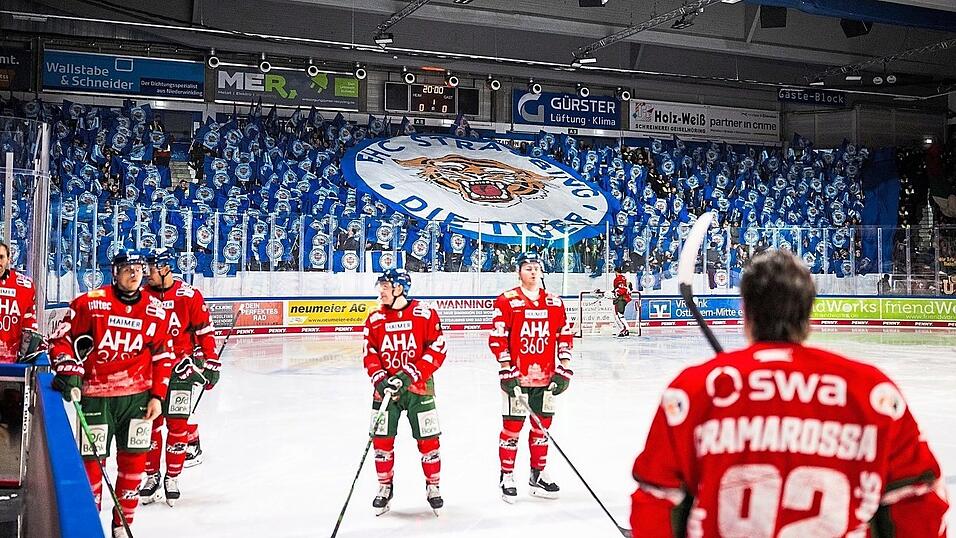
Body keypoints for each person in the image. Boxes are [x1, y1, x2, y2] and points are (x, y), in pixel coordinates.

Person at [629, 250, 949, 537]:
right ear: (809, 313)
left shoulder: (693, 391)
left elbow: (655, 505)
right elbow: (919, 507)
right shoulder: (872, 392)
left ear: (745, 311)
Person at [49, 249, 174, 538]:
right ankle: (88, 526)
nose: (134, 273)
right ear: (114, 272)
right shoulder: (90, 303)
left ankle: (122, 526)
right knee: (92, 466)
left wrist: (158, 395)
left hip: (138, 400)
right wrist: (69, 369)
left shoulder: (155, 309)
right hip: (96, 397)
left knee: (133, 466)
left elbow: (163, 355)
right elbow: (60, 340)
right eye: (127, 268)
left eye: (139, 268)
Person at [489, 251, 574, 503]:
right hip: (516, 378)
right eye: (528, 267)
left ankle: (537, 475)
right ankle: (507, 475)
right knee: (512, 429)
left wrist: (564, 368)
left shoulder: (554, 302)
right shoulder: (507, 301)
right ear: (518, 272)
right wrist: (506, 368)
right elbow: (497, 337)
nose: (533, 271)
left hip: (545, 378)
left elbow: (564, 334)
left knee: (542, 429)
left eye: (537, 267)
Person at [139, 248, 220, 506]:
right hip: (150, 373)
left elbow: (205, 331)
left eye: (150, 269)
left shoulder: (189, 295)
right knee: (150, 427)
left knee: (178, 427)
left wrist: (210, 364)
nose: (145, 275)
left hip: (180, 372)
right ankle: (152, 475)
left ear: (165, 268)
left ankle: (172, 477)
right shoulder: (141, 297)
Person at [362, 268, 447, 515]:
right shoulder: (375, 317)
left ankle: (434, 486)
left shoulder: (425, 313)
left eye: (385, 286)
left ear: (399, 288)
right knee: (382, 441)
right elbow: (370, 353)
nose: (381, 291)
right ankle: (384, 486)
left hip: (419, 389)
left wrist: (408, 375)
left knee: (429, 440)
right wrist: (380, 380)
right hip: (385, 393)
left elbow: (437, 349)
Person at [0, 242, 40, 363]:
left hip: (12, 362)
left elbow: (29, 326)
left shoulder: (25, 286)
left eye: (1, 257)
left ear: (8, 259)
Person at [611, 268, 632, 338]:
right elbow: (627, 287)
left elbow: (620, 289)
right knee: (619, 315)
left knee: (619, 315)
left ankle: (625, 329)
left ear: (616, 272)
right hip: (626, 298)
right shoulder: (624, 278)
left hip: (621, 299)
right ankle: (625, 329)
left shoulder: (617, 279)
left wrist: (615, 293)